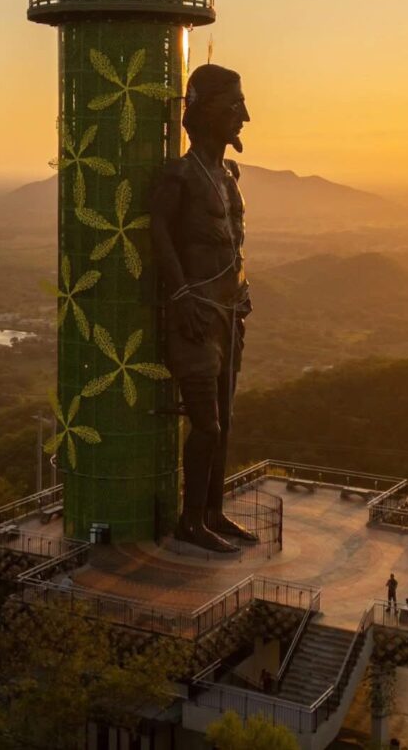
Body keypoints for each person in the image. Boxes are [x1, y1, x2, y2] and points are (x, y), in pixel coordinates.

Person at [151, 64, 257, 553]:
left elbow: (233, 241)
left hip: (229, 311)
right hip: (195, 316)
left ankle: (212, 511)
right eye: (234, 106)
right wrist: (179, 295)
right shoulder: (180, 176)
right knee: (206, 424)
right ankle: (190, 521)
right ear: (205, 111)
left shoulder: (227, 174)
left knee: (226, 421)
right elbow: (160, 233)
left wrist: (241, 286)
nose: (245, 117)